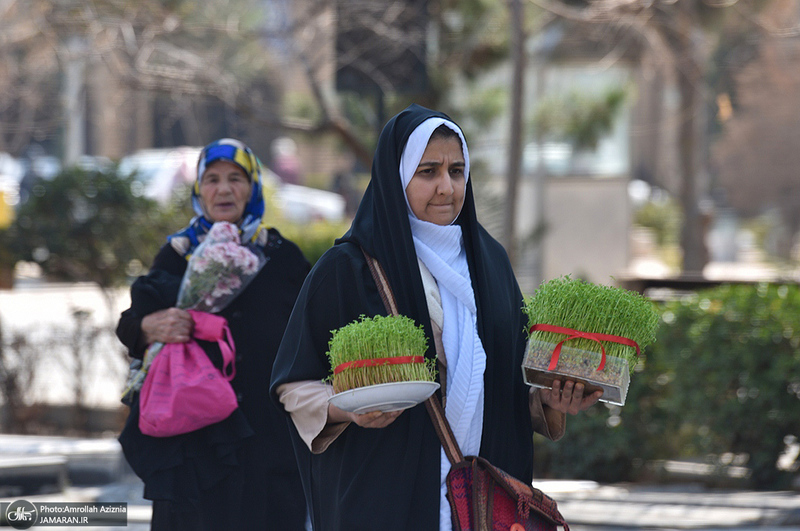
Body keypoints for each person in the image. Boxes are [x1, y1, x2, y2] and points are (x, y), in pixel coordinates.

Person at [270, 104, 601, 531]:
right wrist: (348, 409)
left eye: (457, 171)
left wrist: (552, 399)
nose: (446, 187)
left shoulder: (490, 263)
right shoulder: (347, 270)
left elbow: (508, 380)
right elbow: (294, 387)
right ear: (397, 177)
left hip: (482, 503)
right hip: (384, 500)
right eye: (428, 172)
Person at [117, 138, 311, 530]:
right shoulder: (179, 253)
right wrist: (149, 327)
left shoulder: (281, 256)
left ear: (252, 188)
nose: (224, 189)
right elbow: (131, 323)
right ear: (199, 189)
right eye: (212, 179)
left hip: (269, 441)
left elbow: (316, 328)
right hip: (196, 443)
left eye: (236, 178)